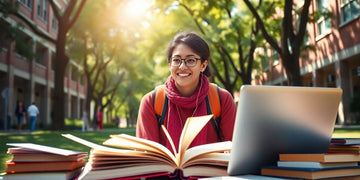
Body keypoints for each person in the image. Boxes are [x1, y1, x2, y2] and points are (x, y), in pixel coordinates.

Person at [136, 32, 237, 153]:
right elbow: (147, 156)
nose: (182, 66)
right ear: (169, 65)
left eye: (190, 60)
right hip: (163, 172)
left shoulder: (221, 99)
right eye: (176, 60)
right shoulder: (151, 102)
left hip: (212, 172)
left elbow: (234, 150)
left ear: (203, 65)